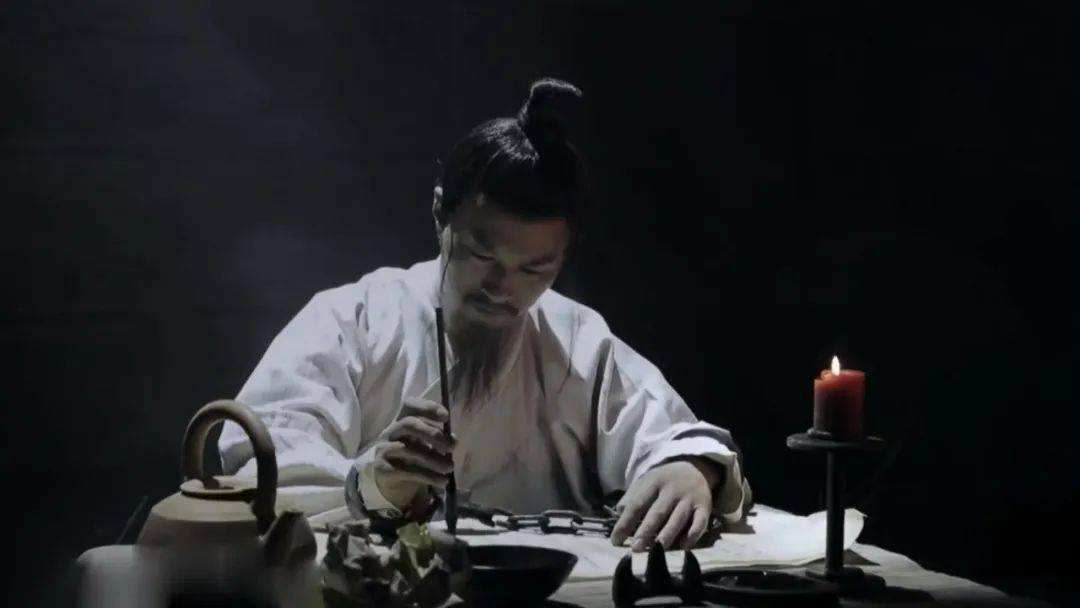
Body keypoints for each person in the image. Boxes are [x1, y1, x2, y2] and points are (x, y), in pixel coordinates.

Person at [219, 78, 751, 552]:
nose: (503, 287)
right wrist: (372, 484)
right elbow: (260, 466)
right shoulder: (349, 320)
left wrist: (690, 470)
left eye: (536, 268)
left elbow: (674, 436)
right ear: (439, 213)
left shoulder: (575, 338)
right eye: (480, 254)